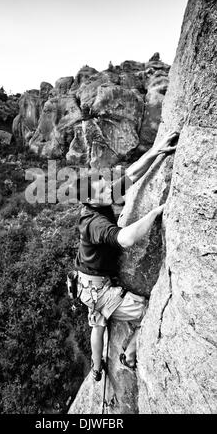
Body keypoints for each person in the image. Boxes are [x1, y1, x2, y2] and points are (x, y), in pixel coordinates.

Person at [74, 131, 179, 381]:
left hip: (86, 284)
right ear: (91, 198)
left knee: (98, 324)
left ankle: (96, 367)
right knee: (146, 311)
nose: (108, 189)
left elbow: (131, 175)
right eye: (102, 189)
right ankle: (128, 355)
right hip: (98, 292)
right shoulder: (95, 222)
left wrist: (156, 151)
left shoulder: (96, 201)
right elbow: (125, 238)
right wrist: (154, 213)